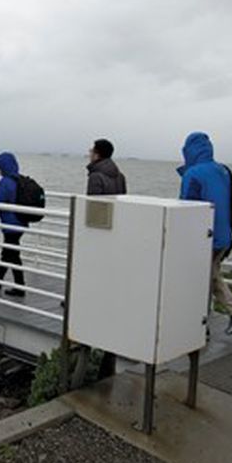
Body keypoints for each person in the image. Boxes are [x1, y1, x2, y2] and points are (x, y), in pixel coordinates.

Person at [178, 132, 232, 335]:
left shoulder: (193, 174)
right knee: (209, 275)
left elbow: (186, 208)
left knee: (203, 277)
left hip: (204, 236)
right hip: (224, 234)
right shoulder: (222, 170)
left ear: (189, 150)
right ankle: (203, 326)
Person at [86, 138, 127, 377]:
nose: (89, 153)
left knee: (90, 269)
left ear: (98, 154)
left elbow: (93, 209)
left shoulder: (95, 177)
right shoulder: (120, 175)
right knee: (105, 270)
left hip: (97, 231)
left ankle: (89, 302)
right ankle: (106, 301)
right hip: (113, 232)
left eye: (92, 150)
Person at [0, 152, 26, 297]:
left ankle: (20, 286)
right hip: (21, 221)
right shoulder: (18, 180)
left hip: (11, 223)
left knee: (13, 255)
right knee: (9, 252)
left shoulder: (5, 182)